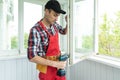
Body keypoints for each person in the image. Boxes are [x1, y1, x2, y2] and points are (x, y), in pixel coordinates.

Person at [27, 0, 68, 80]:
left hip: (59, 69)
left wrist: (68, 23)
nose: (56, 19)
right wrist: (55, 64)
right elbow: (31, 57)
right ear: (46, 11)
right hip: (47, 71)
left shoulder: (55, 25)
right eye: (54, 15)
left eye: (58, 16)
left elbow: (63, 32)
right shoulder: (36, 30)